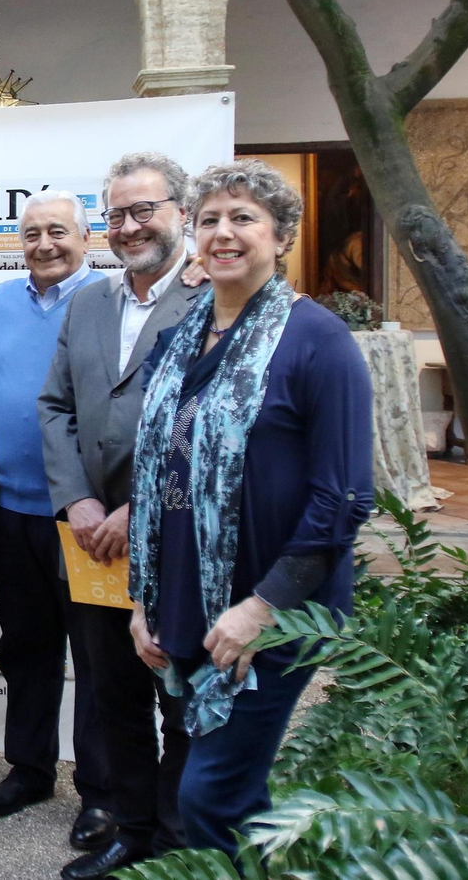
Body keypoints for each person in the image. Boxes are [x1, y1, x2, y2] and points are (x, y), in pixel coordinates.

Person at [128, 159, 371, 862]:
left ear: (281, 236)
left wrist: (261, 609)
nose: (223, 233)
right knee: (225, 788)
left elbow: (343, 498)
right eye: (209, 220)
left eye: (244, 218)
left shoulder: (318, 341)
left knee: (213, 794)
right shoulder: (178, 341)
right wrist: (142, 600)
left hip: (273, 610)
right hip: (184, 600)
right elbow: (156, 476)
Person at [39, 152, 201, 879]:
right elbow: (56, 406)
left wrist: (139, 510)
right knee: (115, 696)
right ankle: (131, 832)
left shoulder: (215, 299)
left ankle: (176, 841)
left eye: (145, 210)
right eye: (117, 214)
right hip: (91, 541)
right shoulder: (90, 303)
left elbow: (218, 425)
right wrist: (77, 500)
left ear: (182, 214)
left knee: (183, 699)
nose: (130, 226)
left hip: (179, 537)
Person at [0, 192, 113, 836]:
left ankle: (102, 791)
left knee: (98, 655)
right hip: (10, 510)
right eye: (31, 234)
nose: (45, 244)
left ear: (87, 238)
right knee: (25, 647)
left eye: (58, 231)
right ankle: (29, 769)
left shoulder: (112, 301)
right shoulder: (0, 301)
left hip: (87, 517)